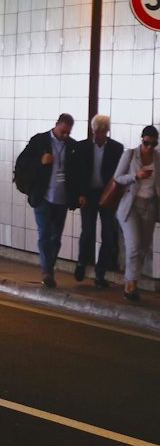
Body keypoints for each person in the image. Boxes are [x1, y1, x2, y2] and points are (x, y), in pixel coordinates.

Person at [14, 113, 80, 288]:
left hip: (62, 198)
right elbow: (22, 162)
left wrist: (77, 196)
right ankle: (47, 272)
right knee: (44, 234)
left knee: (55, 237)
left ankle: (49, 267)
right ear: (56, 125)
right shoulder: (40, 141)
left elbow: (76, 174)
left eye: (68, 133)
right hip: (43, 196)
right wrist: (40, 161)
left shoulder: (72, 146)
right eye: (62, 131)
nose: (65, 136)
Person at [112, 125, 160, 304]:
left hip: (149, 206)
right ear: (142, 140)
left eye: (153, 144)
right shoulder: (130, 155)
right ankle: (130, 285)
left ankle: (132, 281)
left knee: (143, 248)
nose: (149, 147)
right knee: (134, 245)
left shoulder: (158, 158)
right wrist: (135, 175)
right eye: (147, 143)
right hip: (130, 205)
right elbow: (117, 178)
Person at [74, 114, 122, 288]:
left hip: (107, 195)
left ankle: (100, 274)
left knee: (108, 234)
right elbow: (79, 173)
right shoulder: (83, 147)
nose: (99, 135)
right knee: (87, 231)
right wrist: (80, 193)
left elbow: (119, 174)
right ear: (92, 130)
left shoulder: (116, 149)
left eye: (102, 131)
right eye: (96, 131)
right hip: (88, 194)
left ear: (107, 131)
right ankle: (81, 262)